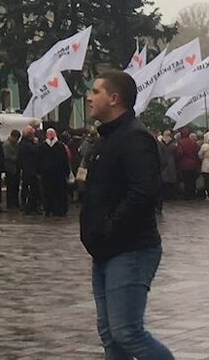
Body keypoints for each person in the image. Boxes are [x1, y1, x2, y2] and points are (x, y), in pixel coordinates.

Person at [79, 71, 175, 360]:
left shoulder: (135, 137)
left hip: (130, 248)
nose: (89, 97)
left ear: (114, 98)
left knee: (127, 332)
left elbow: (143, 193)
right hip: (105, 250)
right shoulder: (107, 137)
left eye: (96, 91)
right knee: (111, 335)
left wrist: (109, 227)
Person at [42, 128, 73, 216]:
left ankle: (48, 209)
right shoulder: (60, 146)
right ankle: (60, 209)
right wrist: (67, 172)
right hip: (59, 174)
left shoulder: (43, 146)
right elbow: (64, 160)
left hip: (46, 175)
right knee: (59, 192)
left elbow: (39, 160)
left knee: (48, 192)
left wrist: (40, 171)